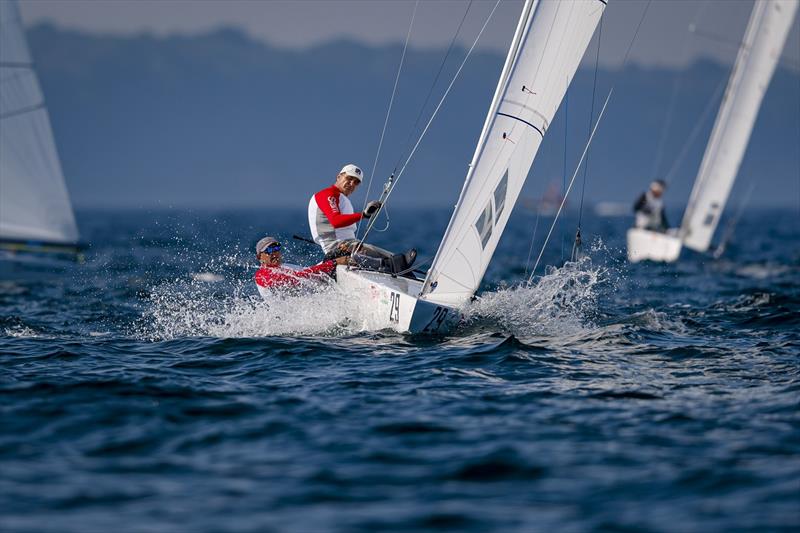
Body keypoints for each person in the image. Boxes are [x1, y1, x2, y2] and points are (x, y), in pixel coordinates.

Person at [307, 163, 416, 274]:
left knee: (399, 262)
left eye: (356, 182)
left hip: (351, 247)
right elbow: (336, 221)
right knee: (399, 262)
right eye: (349, 178)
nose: (352, 184)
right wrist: (364, 214)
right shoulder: (327, 194)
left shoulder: (340, 198)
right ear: (339, 176)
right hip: (340, 249)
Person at [253, 236, 347, 297]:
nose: (274, 253)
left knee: (336, 253)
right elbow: (299, 277)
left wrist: (334, 255)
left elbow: (309, 271)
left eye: (276, 249)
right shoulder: (262, 275)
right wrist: (333, 263)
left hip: (312, 301)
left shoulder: (285, 267)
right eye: (269, 250)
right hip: (292, 314)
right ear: (259, 257)